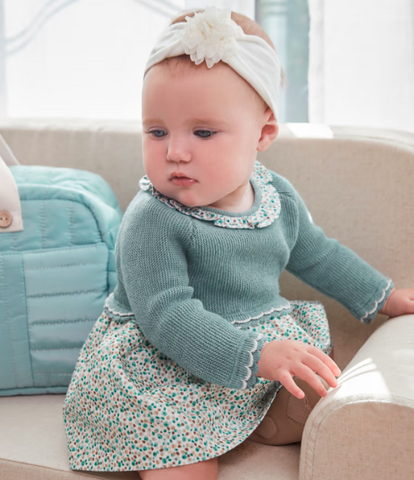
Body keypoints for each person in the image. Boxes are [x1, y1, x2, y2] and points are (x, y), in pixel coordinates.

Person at [62, 5, 412, 480]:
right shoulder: (152, 219)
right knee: (183, 464)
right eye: (156, 131)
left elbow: (317, 253)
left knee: (332, 396)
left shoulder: (276, 197)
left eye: (203, 132)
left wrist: (383, 296)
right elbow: (168, 315)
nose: (175, 151)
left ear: (263, 133)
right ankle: (197, 442)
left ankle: (253, 421)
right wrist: (256, 356)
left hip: (259, 344)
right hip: (167, 364)